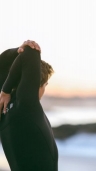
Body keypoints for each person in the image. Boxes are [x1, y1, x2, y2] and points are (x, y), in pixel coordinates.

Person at [0, 40, 58, 171]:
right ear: (34, 83)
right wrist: (5, 90)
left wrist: (18, 50)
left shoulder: (5, 109)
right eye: (45, 85)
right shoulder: (26, 105)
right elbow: (31, 52)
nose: (44, 90)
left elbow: (2, 63)